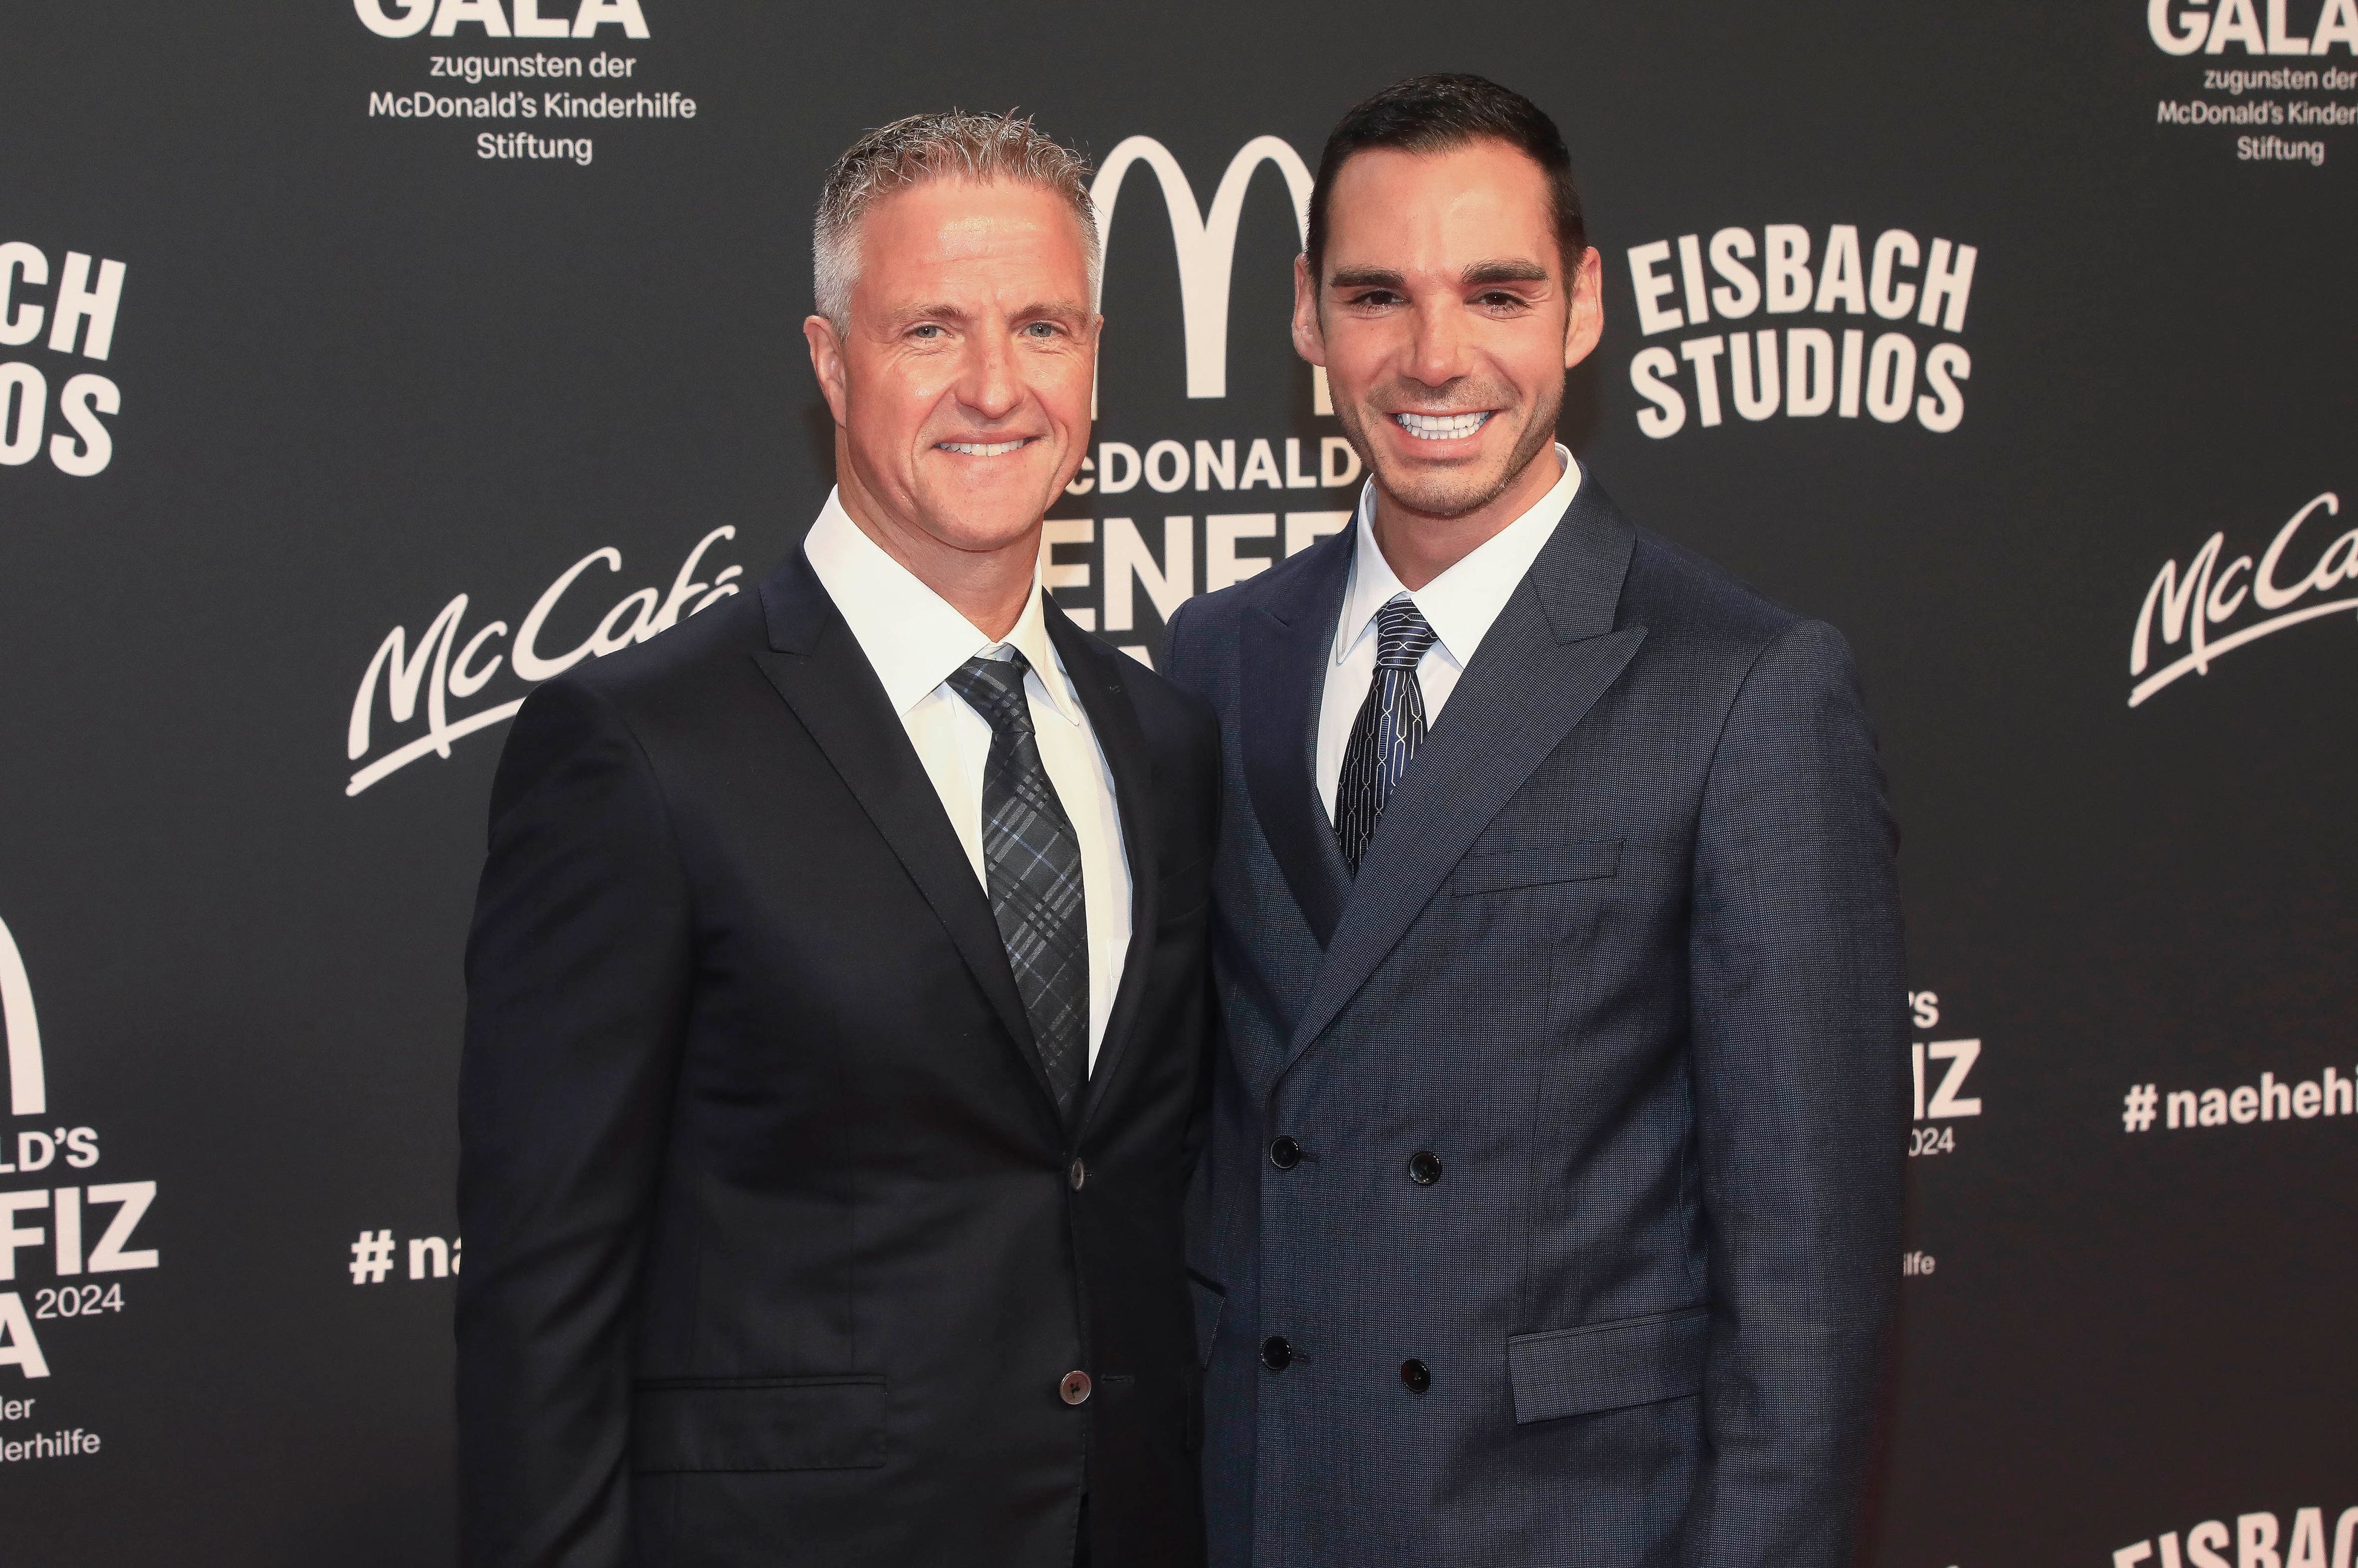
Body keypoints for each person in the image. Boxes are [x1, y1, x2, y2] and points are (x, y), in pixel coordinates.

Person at [456, 111, 1218, 1568]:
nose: (995, 386)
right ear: (829, 361)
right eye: (930, 327)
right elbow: (539, 1298)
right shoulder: (639, 751)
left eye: (1042, 326)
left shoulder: (1162, 744)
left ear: (1097, 354)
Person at [1165, 74, 1906, 1566]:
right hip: (1260, 1502)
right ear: (1307, 317)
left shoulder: (1741, 682)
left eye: (1493, 292)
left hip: (1564, 1520)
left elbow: (1805, 1278)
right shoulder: (1214, 653)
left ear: (1581, 305)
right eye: (1377, 296)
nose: (1434, 358)